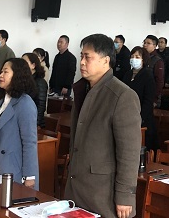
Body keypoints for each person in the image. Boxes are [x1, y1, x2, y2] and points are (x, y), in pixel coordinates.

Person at [65, 34, 142, 218]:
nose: (82, 62)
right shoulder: (83, 89)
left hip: (102, 193)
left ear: (106, 60)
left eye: (88, 57)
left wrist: (125, 195)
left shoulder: (122, 95)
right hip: (77, 186)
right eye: (81, 56)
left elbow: (129, 152)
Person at [0, 58, 39, 188]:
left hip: (16, 172)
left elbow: (29, 142)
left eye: (5, 72)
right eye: (1, 72)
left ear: (17, 75)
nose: (1, 75)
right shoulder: (3, 101)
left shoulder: (25, 103)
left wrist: (29, 176)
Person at [123, 46, 158, 151]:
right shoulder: (128, 74)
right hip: (127, 114)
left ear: (144, 60)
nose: (134, 59)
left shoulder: (147, 75)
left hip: (143, 118)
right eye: (132, 56)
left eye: (137, 57)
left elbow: (148, 100)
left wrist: (140, 118)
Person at [22, 52, 48, 128]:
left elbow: (40, 106)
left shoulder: (40, 82)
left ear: (33, 65)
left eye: (24, 62)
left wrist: (36, 124)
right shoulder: (24, 80)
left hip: (33, 122)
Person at [143, 35, 165, 105]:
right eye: (144, 43)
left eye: (148, 43)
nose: (145, 45)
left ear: (155, 46)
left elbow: (159, 81)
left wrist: (155, 99)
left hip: (151, 97)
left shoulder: (157, 61)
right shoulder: (142, 58)